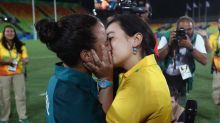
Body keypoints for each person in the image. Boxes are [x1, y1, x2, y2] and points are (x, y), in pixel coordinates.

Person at [88, 14, 172, 123]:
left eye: (110, 38)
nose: (105, 46)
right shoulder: (145, 70)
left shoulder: (140, 84)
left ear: (136, 40)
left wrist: (105, 79)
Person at [35, 13, 113, 123]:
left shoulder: (62, 79)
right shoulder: (69, 95)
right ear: (87, 55)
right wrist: (106, 79)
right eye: (106, 43)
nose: (111, 46)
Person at [158, 16, 208, 105]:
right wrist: (169, 45)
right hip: (166, 70)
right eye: (182, 30)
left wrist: (190, 47)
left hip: (185, 70)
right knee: (166, 98)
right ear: (176, 29)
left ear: (193, 29)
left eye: (189, 29)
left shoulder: (196, 38)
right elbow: (158, 57)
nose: (185, 32)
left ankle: (179, 113)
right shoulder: (168, 36)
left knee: (181, 98)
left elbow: (204, 61)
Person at [0, 25, 29, 123]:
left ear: (15, 33)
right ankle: (4, 118)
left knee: (20, 96)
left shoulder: (21, 45)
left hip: (18, 73)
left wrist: (25, 60)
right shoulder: (0, 44)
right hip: (3, 74)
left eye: (12, 31)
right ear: (3, 33)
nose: (9, 33)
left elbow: (25, 58)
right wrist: (8, 61)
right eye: (7, 31)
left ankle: (23, 116)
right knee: (4, 97)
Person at [209, 17, 220, 123]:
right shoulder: (214, 36)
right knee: (217, 97)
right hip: (217, 71)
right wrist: (204, 38)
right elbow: (209, 49)